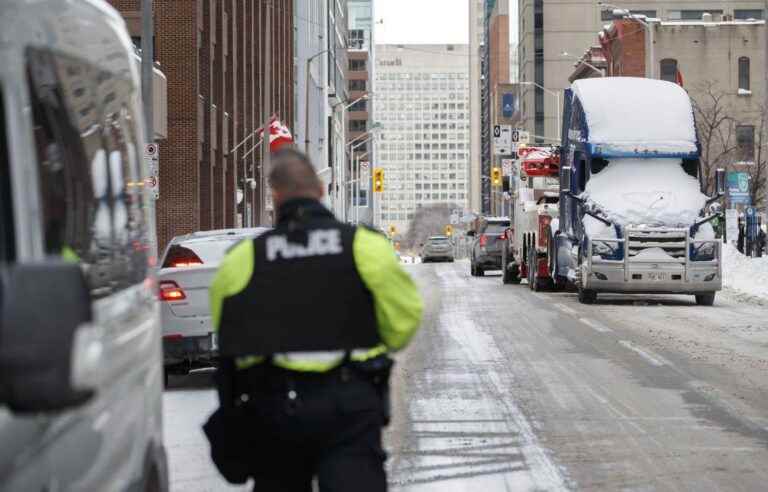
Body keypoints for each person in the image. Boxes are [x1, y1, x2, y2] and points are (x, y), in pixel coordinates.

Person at [204, 148, 423, 492]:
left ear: (274, 197)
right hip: (350, 406)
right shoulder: (364, 247)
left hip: (275, 409)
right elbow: (403, 322)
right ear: (321, 190)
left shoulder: (244, 258)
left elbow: (230, 336)